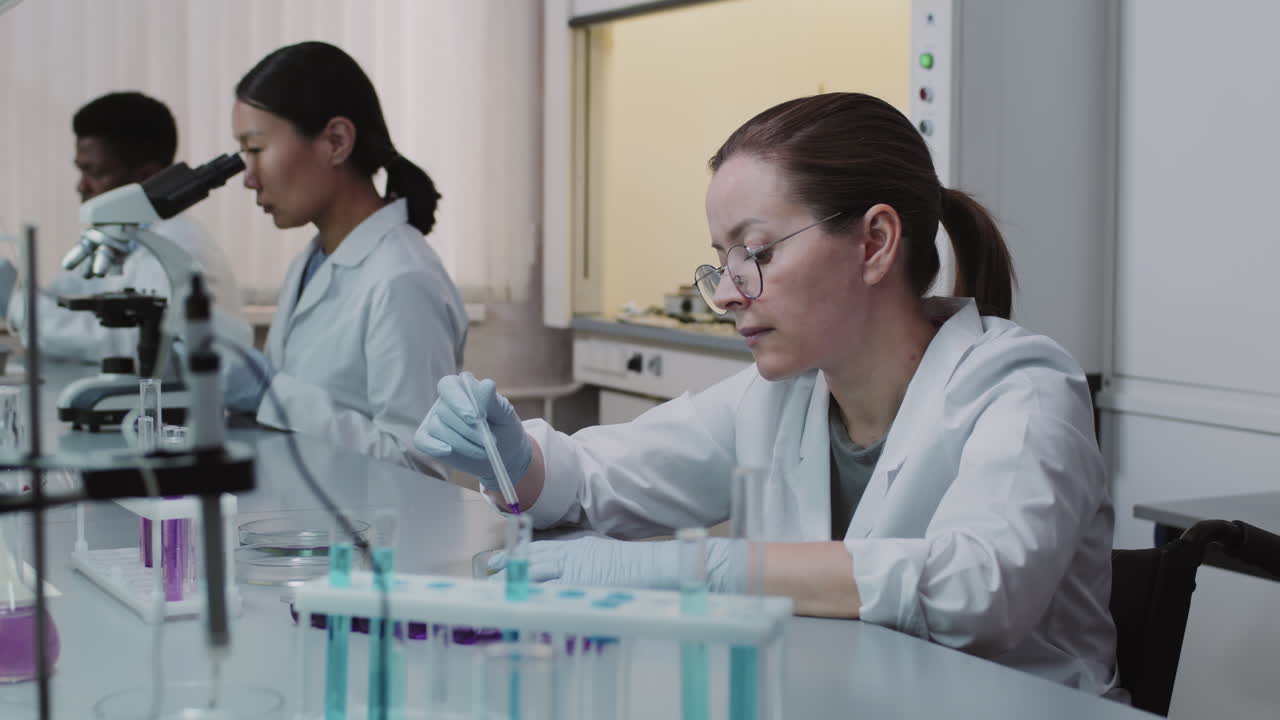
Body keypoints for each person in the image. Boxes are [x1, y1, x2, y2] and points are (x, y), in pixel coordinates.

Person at [416, 93, 1119, 695]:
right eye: (721, 261)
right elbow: (605, 478)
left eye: (756, 253)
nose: (726, 292)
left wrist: (706, 567)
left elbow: (982, 588)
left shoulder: (1022, 387)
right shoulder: (782, 395)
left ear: (874, 242)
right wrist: (513, 460)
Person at [226, 41, 467, 477]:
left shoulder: (403, 278)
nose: (248, 178)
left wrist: (272, 396)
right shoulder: (311, 261)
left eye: (256, 149)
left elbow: (420, 467)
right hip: (308, 523)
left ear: (336, 141)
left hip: (376, 540)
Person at [2, 91, 242, 363]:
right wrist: (19, 291)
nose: (81, 186)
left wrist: (14, 302)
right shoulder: (118, 236)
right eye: (80, 171)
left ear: (147, 177)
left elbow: (124, 345)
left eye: (94, 172)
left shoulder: (180, 246)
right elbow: (65, 297)